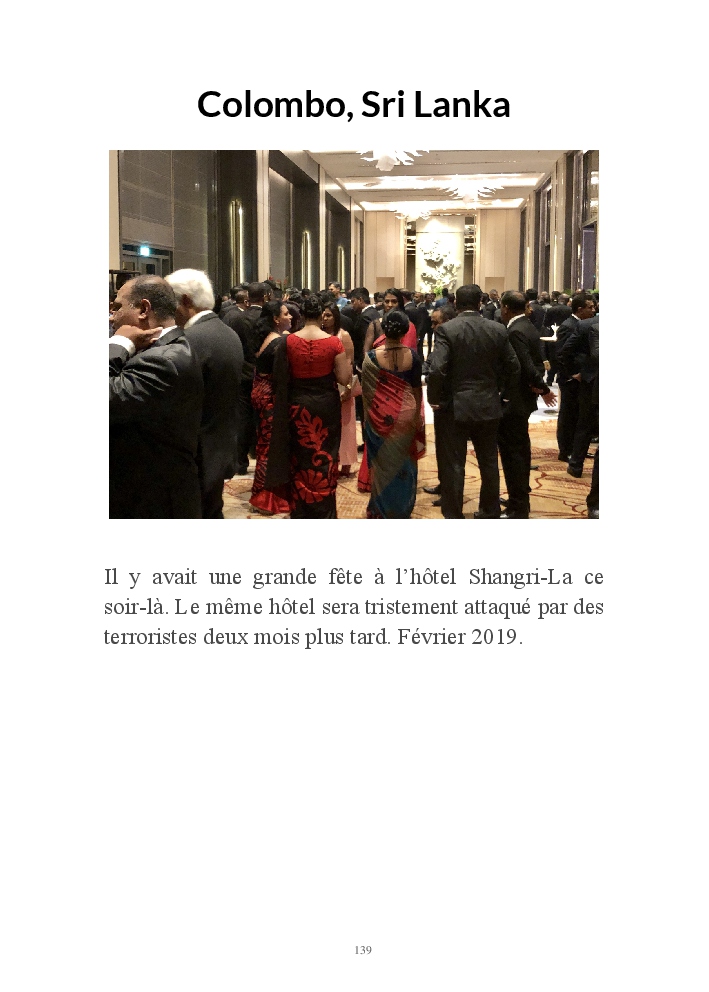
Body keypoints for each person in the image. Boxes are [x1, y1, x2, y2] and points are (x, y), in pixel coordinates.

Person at [109, 276, 203, 518]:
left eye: (117, 307)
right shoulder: (160, 348)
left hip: (152, 501)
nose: (112, 316)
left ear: (143, 309)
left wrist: (118, 343)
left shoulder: (164, 359)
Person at [427, 284, 521, 519]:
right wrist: (505, 394)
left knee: (454, 463)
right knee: (488, 462)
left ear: (456, 303)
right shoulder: (497, 329)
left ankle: (453, 513)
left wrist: (434, 398)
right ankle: (489, 510)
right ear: (480, 303)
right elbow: (514, 367)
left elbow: (437, 369)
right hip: (488, 404)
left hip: (454, 407)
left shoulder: (447, 329)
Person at [165, 269, 244, 518]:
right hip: (218, 444)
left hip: (196, 452)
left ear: (185, 300)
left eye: (170, 302)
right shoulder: (225, 331)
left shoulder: (190, 340)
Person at [266, 295, 351, 518]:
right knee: (326, 453)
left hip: (297, 405)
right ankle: (324, 511)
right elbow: (344, 378)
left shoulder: (288, 341)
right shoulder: (334, 342)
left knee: (300, 455)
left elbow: (279, 377)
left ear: (301, 315)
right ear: (321, 315)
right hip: (326, 406)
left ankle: (301, 511)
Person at [361, 310, 425, 519]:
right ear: (405, 331)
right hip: (406, 415)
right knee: (405, 463)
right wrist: (417, 416)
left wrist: (367, 420)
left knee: (381, 464)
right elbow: (416, 390)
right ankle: (402, 509)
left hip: (380, 416)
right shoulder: (413, 357)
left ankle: (381, 509)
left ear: (384, 330)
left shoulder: (371, 358)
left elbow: (367, 394)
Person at [498, 291, 556, 518]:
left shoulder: (515, 330)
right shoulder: (527, 326)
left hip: (516, 400)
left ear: (505, 308)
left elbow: (525, 366)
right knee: (519, 449)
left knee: (513, 454)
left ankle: (518, 505)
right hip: (523, 398)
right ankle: (518, 497)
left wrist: (542, 388)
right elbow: (536, 362)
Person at [249, 301, 293, 515]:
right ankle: (266, 498)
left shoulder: (266, 338)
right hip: (269, 397)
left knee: (264, 444)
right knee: (270, 446)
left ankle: (265, 493)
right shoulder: (280, 342)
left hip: (259, 391)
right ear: (276, 319)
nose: (290, 317)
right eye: (286, 314)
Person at [557, 310, 599, 479]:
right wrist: (574, 372)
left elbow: (566, 351)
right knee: (584, 423)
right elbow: (565, 351)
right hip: (591, 382)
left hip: (591, 381)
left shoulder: (585, 324)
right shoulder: (586, 325)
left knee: (585, 424)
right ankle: (575, 464)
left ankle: (576, 465)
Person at [422, 305, 456, 503]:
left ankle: (450, 494)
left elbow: (439, 370)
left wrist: (433, 398)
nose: (432, 327)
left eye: (436, 323)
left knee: (449, 451)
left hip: (448, 401)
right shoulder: (440, 339)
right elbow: (430, 363)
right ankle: (444, 485)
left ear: (448, 321)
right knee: (443, 449)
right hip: (445, 402)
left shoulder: (452, 339)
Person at [322, 302, 358, 476]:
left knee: (345, 425)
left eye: (328, 315)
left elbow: (350, 363)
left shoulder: (343, 335)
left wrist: (348, 387)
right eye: (323, 315)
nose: (325, 318)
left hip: (343, 385)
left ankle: (346, 463)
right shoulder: (319, 334)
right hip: (325, 384)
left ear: (335, 317)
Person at [363, 288, 417, 354]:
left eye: (394, 301)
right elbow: (366, 352)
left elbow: (410, 353)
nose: (390, 305)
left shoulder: (409, 325)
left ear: (399, 303)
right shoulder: (375, 325)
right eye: (387, 301)